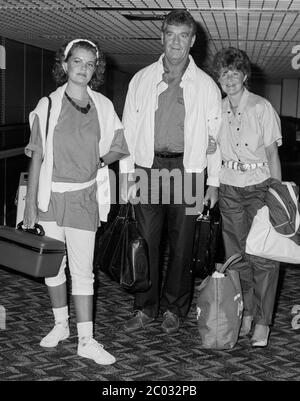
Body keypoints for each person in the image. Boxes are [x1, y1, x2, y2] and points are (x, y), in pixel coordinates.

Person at [23, 39, 129, 364]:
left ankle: (86, 339)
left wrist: (98, 162)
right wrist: (30, 205)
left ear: (94, 69)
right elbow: (37, 154)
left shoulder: (103, 105)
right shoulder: (48, 104)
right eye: (77, 62)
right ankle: (60, 326)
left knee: (83, 271)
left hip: (84, 196)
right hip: (49, 197)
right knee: (54, 267)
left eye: (89, 64)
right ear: (65, 64)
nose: (83, 68)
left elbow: (119, 144)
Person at [120, 10, 222, 334]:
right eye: (171, 34)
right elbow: (127, 131)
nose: (176, 41)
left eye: (183, 35)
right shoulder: (141, 79)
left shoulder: (207, 86)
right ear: (161, 37)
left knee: (183, 245)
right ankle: (144, 308)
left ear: (192, 41)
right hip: (147, 169)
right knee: (145, 242)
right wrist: (126, 177)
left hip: (189, 171)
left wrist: (214, 182)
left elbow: (214, 139)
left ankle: (174, 310)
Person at [212, 47, 282, 347]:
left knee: (262, 257)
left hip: (259, 187)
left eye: (234, 72)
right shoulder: (217, 108)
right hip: (229, 187)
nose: (229, 78)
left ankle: (264, 321)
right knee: (236, 257)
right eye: (224, 73)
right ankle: (247, 314)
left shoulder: (261, 107)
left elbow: (272, 154)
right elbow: (211, 148)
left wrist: (277, 195)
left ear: (245, 75)